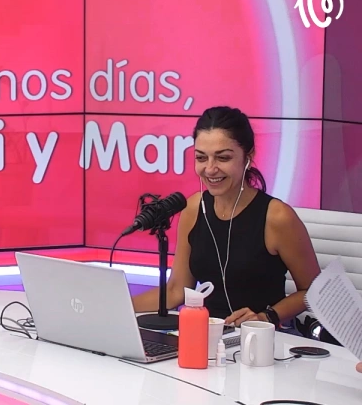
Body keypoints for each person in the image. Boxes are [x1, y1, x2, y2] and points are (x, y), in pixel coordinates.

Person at [131, 106, 321, 328]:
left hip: (262, 337)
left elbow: (313, 290)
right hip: (206, 333)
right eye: (201, 158)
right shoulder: (193, 208)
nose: (210, 169)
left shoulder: (277, 217)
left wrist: (266, 317)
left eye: (223, 158)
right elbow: (175, 291)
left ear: (248, 157)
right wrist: (116, 306)